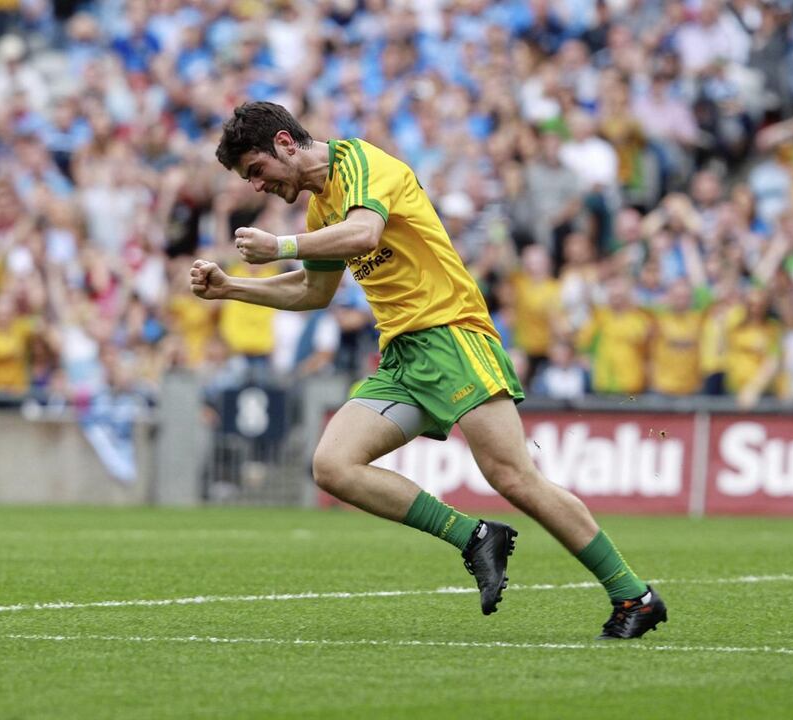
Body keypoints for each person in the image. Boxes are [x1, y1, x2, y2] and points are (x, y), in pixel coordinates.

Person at [190, 101, 667, 639]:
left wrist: (280, 247)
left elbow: (365, 234)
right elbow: (313, 290)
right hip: (403, 355)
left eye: (256, 170)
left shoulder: (364, 164)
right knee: (333, 466)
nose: (256, 186)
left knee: (513, 477)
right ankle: (474, 536)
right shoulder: (320, 210)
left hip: (452, 335)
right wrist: (233, 289)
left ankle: (634, 595)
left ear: (284, 144)